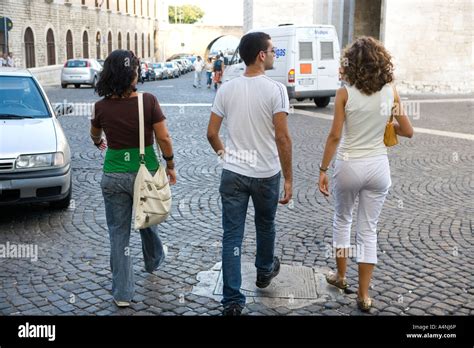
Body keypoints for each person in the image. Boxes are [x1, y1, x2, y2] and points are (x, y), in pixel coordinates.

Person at [318, 37, 413, 312]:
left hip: (349, 164)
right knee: (368, 230)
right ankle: (364, 295)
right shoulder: (391, 92)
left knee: (342, 220)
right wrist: (387, 124)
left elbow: (335, 135)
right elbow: (408, 131)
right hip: (378, 167)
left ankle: (340, 276)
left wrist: (323, 169)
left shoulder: (344, 93)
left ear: (352, 64)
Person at [207, 32, 293, 316]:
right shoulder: (275, 90)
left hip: (233, 171)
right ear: (261, 55)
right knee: (265, 225)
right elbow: (283, 138)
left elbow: (212, 133)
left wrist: (226, 156)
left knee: (232, 236)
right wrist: (290, 178)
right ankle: (264, 271)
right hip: (266, 173)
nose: (274, 55)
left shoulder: (227, 88)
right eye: (272, 50)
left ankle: (232, 300)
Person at [90, 49, 177, 308]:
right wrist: (170, 163)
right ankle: (153, 260)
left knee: (118, 235)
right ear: (132, 74)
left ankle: (122, 294)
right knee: (149, 219)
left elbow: (95, 134)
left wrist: (99, 142)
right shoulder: (148, 101)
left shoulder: (100, 106)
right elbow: (163, 137)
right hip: (145, 172)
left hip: (113, 175)